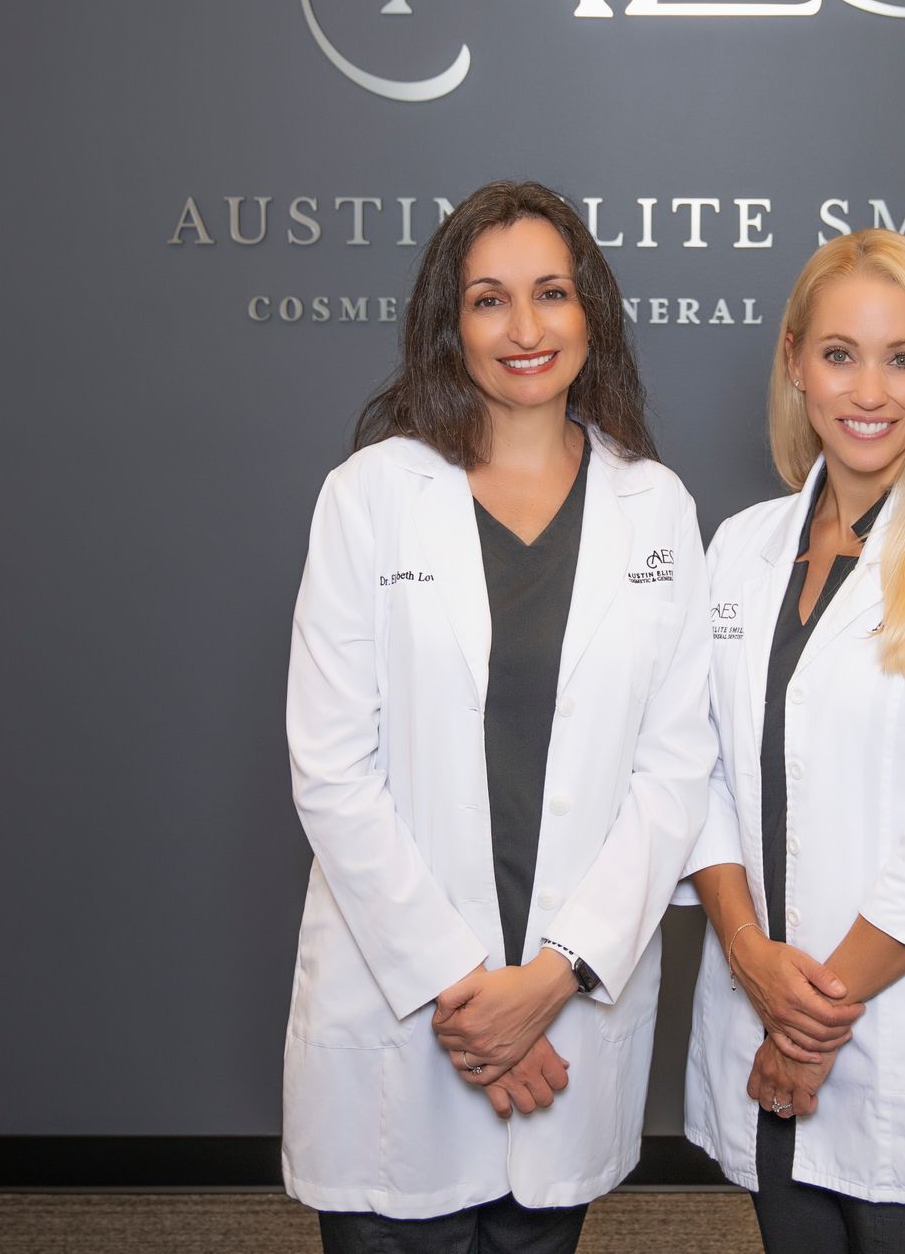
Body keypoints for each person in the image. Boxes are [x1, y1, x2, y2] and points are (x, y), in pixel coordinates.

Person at [281, 181, 714, 1254]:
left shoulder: (655, 504)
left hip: (567, 1004)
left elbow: (675, 772)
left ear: (591, 311)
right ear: (449, 321)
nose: (525, 329)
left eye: (551, 293)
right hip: (417, 1008)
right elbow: (332, 768)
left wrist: (553, 977)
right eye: (489, 299)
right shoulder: (371, 494)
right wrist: (477, 1000)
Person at [681, 229, 905, 1253]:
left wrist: (810, 1022)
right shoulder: (738, 548)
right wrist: (753, 959)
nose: (869, 389)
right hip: (764, 1019)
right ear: (796, 361)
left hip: (900, 1052)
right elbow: (691, 770)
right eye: (840, 353)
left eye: (904, 356)